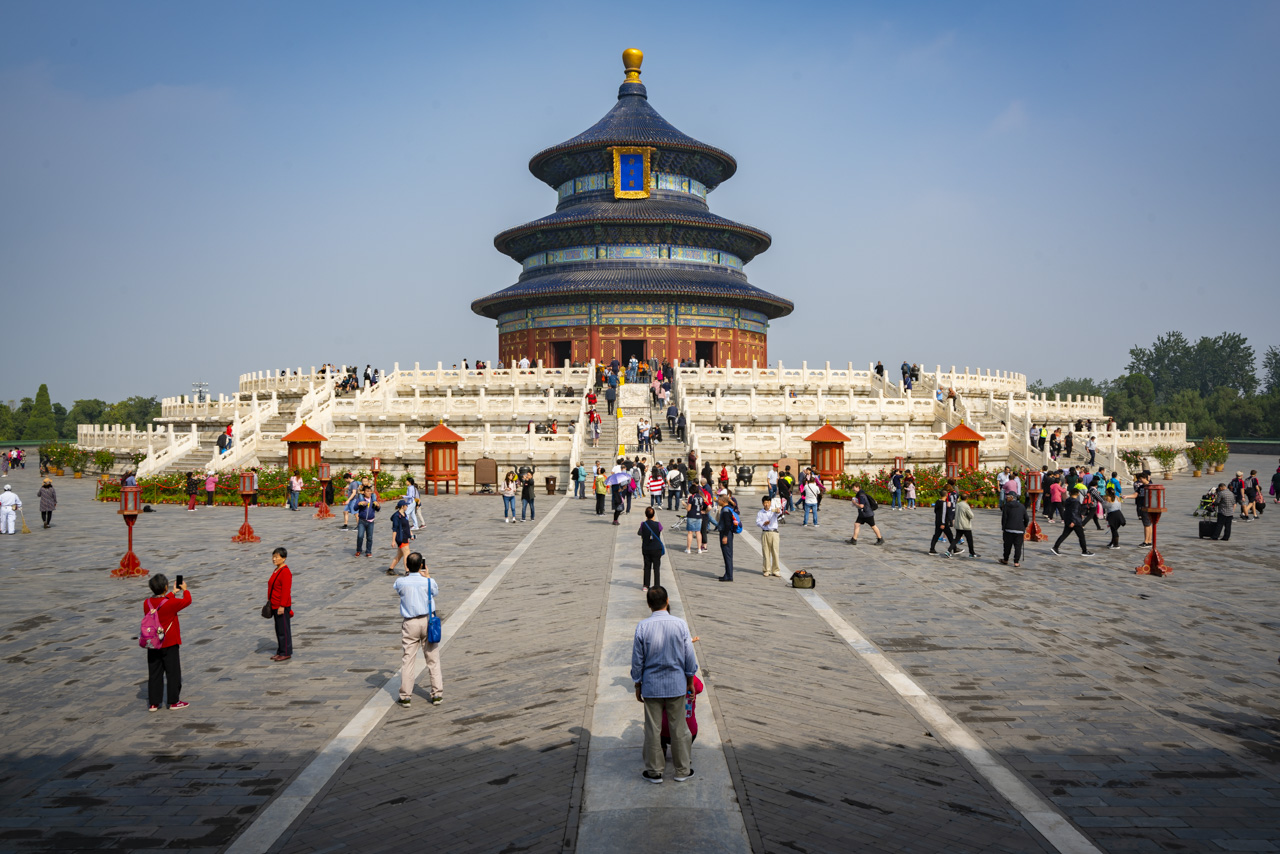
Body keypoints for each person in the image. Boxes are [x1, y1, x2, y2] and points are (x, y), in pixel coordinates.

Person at [630, 586, 698, 783]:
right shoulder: (680, 624)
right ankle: (682, 770)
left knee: (653, 729)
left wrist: (637, 684)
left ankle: (655, 771)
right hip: (676, 685)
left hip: (652, 686)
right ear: (667, 601)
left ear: (649, 605)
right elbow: (689, 657)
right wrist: (690, 681)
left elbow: (637, 660)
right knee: (679, 728)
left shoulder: (642, 626)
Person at [395, 552, 443, 707]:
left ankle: (405, 696)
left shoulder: (401, 582)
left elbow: (398, 589)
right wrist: (427, 576)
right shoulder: (428, 582)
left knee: (408, 659)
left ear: (407, 566)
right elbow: (435, 592)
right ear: (421, 565)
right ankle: (437, 694)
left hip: (410, 623)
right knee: (432, 658)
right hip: (427, 621)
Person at [142, 574, 192, 711]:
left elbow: (162, 603)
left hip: (152, 643)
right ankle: (174, 701)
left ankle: (154, 703)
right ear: (165, 587)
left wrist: (173, 593)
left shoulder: (147, 603)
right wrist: (185, 589)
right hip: (169, 642)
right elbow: (187, 601)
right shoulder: (172, 604)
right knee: (173, 672)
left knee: (155, 673)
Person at [660, 674, 705, 759]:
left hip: (665, 731)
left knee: (655, 726)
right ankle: (683, 754)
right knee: (689, 729)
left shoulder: (665, 679)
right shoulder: (693, 679)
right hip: (689, 731)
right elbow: (700, 688)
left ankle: (662, 749)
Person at [1051, 484, 1094, 556]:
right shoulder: (1076, 502)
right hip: (1075, 521)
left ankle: (1055, 547)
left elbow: (1068, 511)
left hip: (1068, 520)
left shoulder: (1067, 500)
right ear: (1077, 494)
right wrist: (1073, 521)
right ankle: (1084, 551)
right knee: (1081, 536)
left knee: (1064, 535)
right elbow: (1074, 512)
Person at [268, 547, 293, 661]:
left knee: (284, 630)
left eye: (277, 557)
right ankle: (280, 651)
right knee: (279, 629)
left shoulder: (285, 572)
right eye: (273, 557)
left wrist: (282, 606)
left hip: (281, 605)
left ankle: (286, 652)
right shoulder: (276, 570)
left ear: (284, 558)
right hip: (274, 604)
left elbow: (286, 590)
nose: (274, 559)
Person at [638, 507, 664, 591]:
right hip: (656, 548)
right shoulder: (658, 524)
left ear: (646, 515)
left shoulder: (643, 524)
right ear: (654, 515)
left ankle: (646, 585)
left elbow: (639, 533)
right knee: (656, 568)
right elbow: (660, 529)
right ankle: (657, 585)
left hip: (646, 548)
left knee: (647, 566)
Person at [998, 495, 1028, 567]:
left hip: (1008, 529)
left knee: (1007, 546)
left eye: (1008, 496)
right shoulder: (1022, 506)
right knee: (1018, 546)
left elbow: (1004, 518)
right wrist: (1024, 526)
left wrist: (1003, 528)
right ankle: (1016, 562)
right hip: (1019, 529)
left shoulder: (1006, 506)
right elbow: (1026, 518)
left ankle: (1006, 559)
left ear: (1012, 497)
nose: (1006, 498)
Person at [757, 495, 781, 577]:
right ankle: (767, 569)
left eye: (768, 502)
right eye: (765, 503)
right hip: (765, 532)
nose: (766, 504)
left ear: (770, 503)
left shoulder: (773, 510)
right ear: (763, 504)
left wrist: (778, 511)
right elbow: (757, 522)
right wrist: (763, 523)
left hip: (774, 533)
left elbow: (779, 513)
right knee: (765, 552)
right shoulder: (760, 512)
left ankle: (776, 570)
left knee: (775, 552)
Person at [387, 500, 414, 576]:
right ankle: (407, 571)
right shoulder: (396, 516)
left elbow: (407, 526)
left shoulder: (404, 514)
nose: (407, 506)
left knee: (400, 555)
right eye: (406, 505)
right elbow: (394, 529)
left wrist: (411, 534)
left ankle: (390, 569)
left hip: (405, 536)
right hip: (400, 537)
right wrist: (393, 541)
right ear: (402, 506)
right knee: (407, 554)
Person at [930, 486, 957, 557]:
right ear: (946, 495)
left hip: (938, 521)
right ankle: (955, 548)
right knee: (950, 535)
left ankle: (932, 549)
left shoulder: (938, 501)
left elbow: (936, 511)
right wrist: (943, 523)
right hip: (943, 522)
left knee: (936, 535)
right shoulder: (944, 503)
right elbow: (943, 514)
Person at [717, 492, 737, 582]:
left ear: (722, 501)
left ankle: (729, 575)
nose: (717, 501)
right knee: (727, 554)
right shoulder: (728, 508)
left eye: (719, 500)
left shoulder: (725, 510)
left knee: (727, 554)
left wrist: (725, 536)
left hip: (726, 534)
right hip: (727, 533)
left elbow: (728, 524)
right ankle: (727, 574)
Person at [354, 485, 379, 557]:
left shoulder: (373, 499)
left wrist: (378, 505)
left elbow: (378, 509)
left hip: (371, 521)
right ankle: (359, 550)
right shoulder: (360, 499)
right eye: (367, 491)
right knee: (360, 536)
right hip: (362, 521)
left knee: (370, 537)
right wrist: (359, 504)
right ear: (363, 492)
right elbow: (355, 508)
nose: (369, 493)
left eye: (370, 491)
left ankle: (368, 551)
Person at [1134, 471, 1153, 546]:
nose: (1140, 480)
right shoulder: (1141, 487)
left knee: (1146, 524)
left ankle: (1146, 541)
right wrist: (1127, 496)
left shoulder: (1150, 486)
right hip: (1143, 507)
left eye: (1141, 479)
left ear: (1145, 478)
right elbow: (1135, 494)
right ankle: (1149, 541)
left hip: (1147, 507)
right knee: (1148, 524)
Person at [684, 485, 705, 554]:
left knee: (690, 532)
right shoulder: (701, 497)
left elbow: (688, 508)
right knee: (698, 532)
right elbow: (701, 507)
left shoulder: (691, 497)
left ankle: (688, 549)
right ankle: (699, 549)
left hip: (691, 515)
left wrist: (684, 504)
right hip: (699, 516)